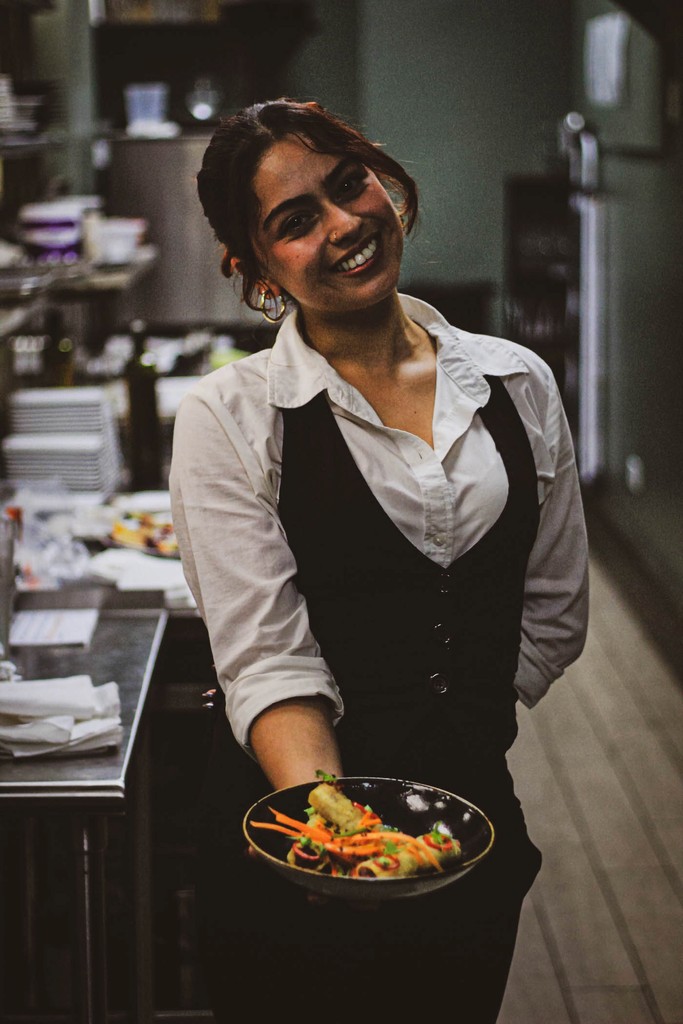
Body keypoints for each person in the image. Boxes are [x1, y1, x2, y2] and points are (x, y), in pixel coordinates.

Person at [169, 98, 589, 1022]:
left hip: (469, 832)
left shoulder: (517, 383)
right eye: (294, 221)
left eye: (347, 184)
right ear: (254, 271)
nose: (344, 224)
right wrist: (344, 838)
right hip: (297, 844)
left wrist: (456, 710)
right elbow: (265, 658)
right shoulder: (229, 418)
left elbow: (553, 607)